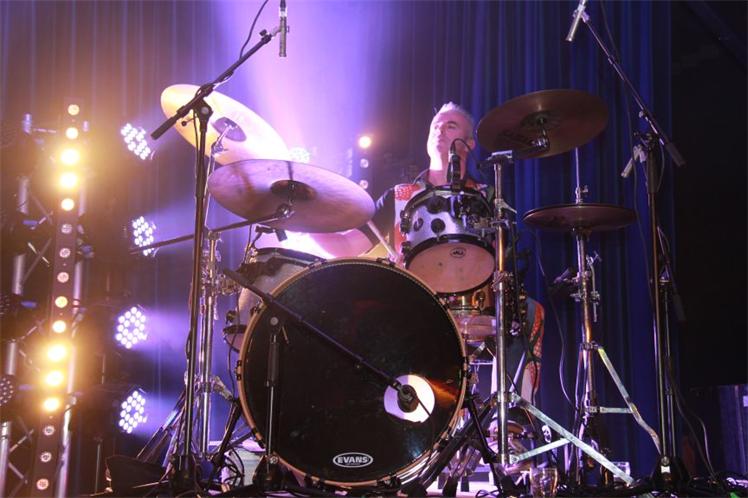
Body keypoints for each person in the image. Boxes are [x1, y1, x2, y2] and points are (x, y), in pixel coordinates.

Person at [313, 102, 545, 403]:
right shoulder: (399, 196)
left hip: (476, 306)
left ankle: (509, 416)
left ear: (470, 142)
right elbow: (345, 246)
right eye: (435, 125)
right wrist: (302, 218)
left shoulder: (487, 196)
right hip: (413, 305)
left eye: (450, 126)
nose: (439, 130)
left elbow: (504, 263)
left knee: (528, 311)